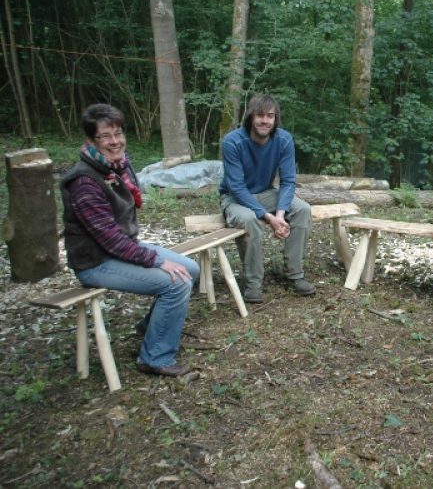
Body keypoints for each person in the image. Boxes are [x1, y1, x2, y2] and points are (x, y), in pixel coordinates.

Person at [61, 104, 199, 377]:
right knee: (177, 281)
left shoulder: (115, 167)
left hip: (120, 250)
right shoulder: (84, 182)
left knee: (191, 269)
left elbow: (120, 235)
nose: (115, 141)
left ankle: (153, 328)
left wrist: (152, 257)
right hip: (96, 261)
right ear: (91, 140)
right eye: (105, 136)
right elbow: (110, 239)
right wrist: (157, 261)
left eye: (118, 133)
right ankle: (155, 357)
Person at [219, 94, 315, 303]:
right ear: (251, 117)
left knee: (303, 209)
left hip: (266, 193)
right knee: (249, 219)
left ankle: (294, 274)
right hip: (235, 197)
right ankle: (253, 283)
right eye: (260, 115)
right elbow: (236, 187)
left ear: (275, 119)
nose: (265, 121)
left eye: (270, 116)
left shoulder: (283, 139)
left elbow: (288, 182)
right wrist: (268, 218)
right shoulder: (232, 142)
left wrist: (279, 213)